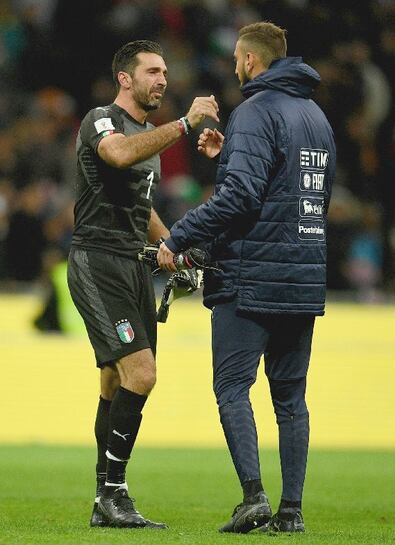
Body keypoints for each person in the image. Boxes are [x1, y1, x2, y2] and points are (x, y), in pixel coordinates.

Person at [157, 22, 336, 534]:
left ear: (251, 61)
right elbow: (300, 195)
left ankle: (254, 497)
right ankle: (292, 512)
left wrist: (178, 237)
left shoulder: (255, 111)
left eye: (237, 59)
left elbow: (241, 199)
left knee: (233, 387)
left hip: (251, 276)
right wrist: (228, 155)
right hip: (302, 276)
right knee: (291, 398)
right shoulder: (316, 117)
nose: (235, 67)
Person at [67, 40, 219, 529]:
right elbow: (114, 155)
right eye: (153, 71)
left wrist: (173, 246)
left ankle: (102, 501)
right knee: (143, 374)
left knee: (115, 381)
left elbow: (141, 209)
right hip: (98, 260)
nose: (163, 79)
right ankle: (114, 493)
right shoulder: (102, 120)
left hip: (135, 265)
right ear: (125, 78)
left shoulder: (148, 134)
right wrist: (184, 125)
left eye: (166, 71)